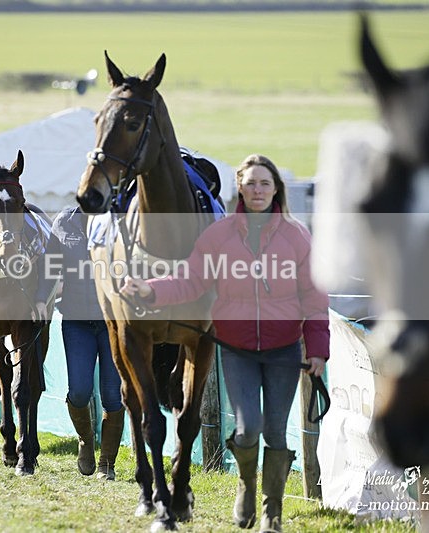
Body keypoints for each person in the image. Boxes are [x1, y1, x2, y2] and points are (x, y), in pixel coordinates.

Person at [121, 154, 330, 531]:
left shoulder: (297, 235)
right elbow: (190, 280)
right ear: (240, 189)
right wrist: (149, 291)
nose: (258, 190)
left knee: (276, 432)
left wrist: (317, 349)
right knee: (248, 429)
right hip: (237, 350)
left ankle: (272, 512)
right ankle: (246, 489)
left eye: (265, 183)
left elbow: (315, 298)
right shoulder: (218, 236)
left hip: (283, 350)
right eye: (250, 183)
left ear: (276, 188)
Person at [34, 205, 125, 480]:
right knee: (79, 392)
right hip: (76, 321)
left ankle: (107, 464)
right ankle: (85, 439)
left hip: (112, 323)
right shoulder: (64, 222)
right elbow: (50, 265)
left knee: (112, 395)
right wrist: (40, 297)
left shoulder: (120, 219)